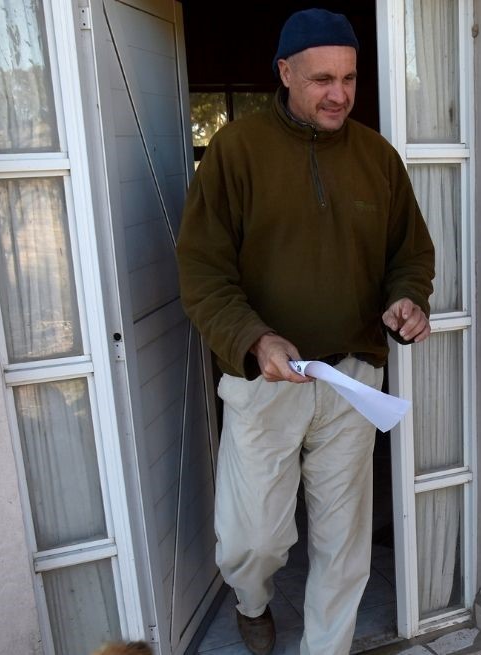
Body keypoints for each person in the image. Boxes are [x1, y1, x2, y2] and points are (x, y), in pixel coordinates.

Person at [176, 8, 435, 655]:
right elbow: (203, 271)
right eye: (322, 78)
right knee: (252, 538)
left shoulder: (377, 156)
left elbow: (411, 252)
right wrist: (255, 338)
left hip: (351, 380)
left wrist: (407, 297)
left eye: (348, 77)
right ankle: (252, 599)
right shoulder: (237, 151)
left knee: (342, 544)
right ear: (285, 72)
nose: (339, 93)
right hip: (263, 379)